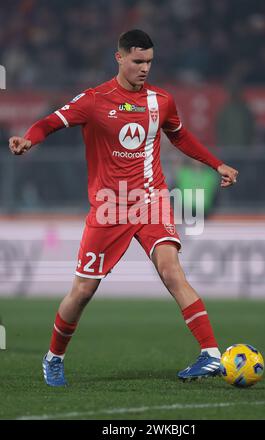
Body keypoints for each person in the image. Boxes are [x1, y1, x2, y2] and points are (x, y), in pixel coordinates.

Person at [8, 29, 238, 387]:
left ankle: (210, 353)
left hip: (152, 200)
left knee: (171, 270)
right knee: (83, 290)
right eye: (137, 61)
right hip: (109, 207)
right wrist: (29, 139)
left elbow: (180, 136)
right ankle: (54, 358)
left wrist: (215, 164)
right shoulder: (94, 99)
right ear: (119, 58)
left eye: (149, 61)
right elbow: (51, 122)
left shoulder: (161, 101)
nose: (145, 68)